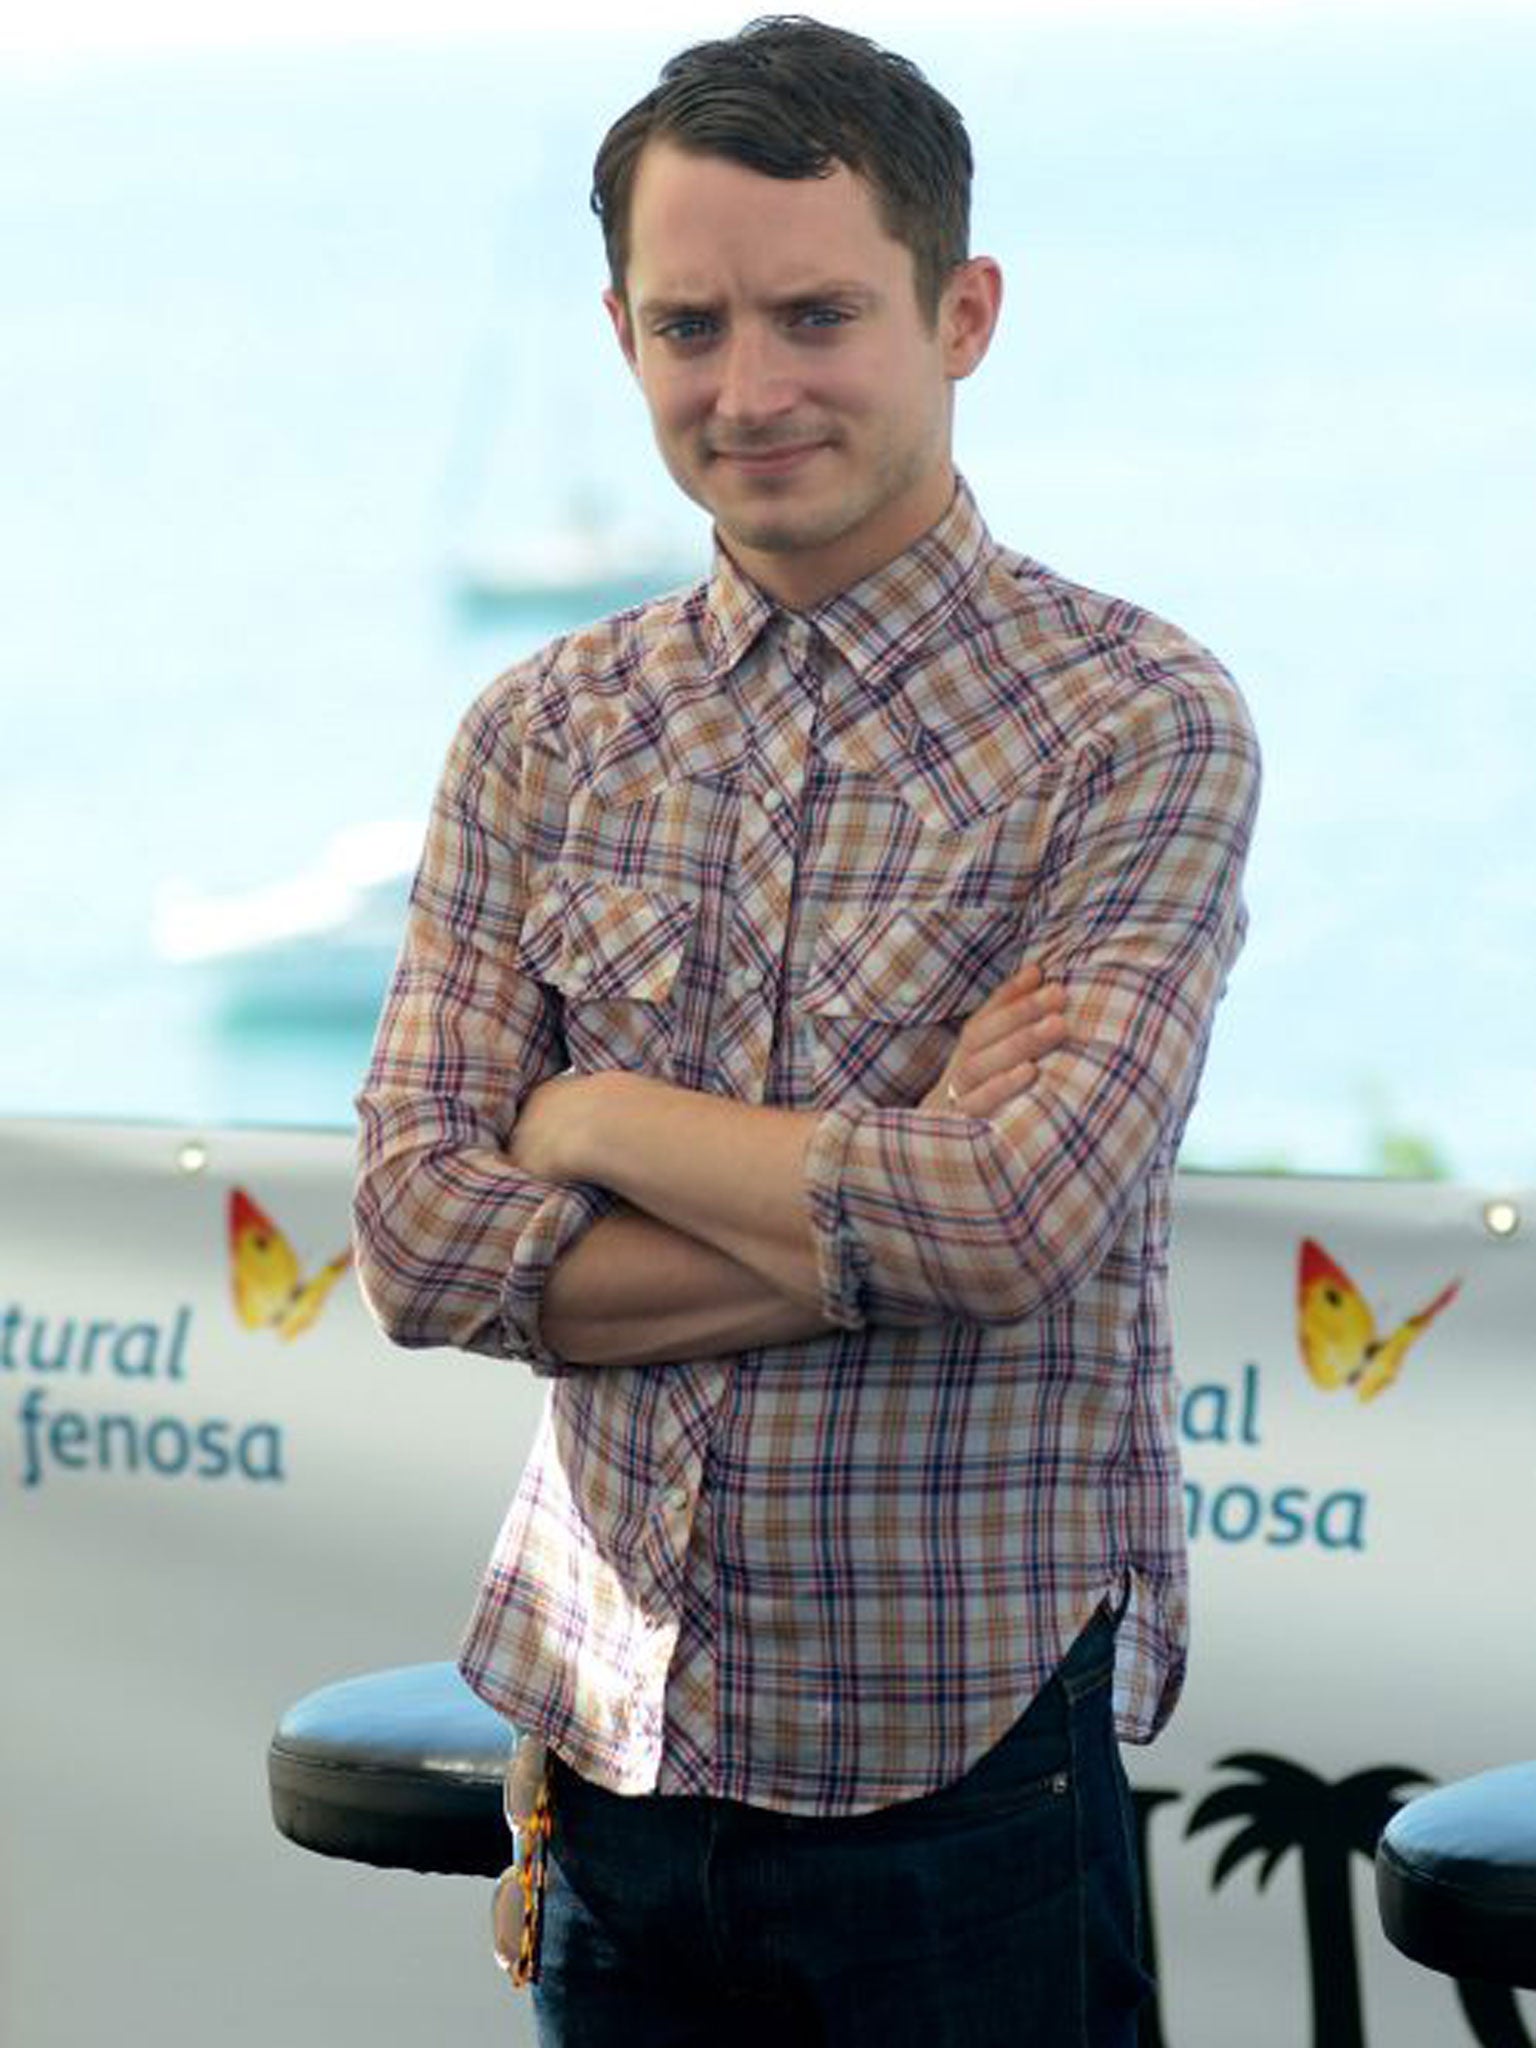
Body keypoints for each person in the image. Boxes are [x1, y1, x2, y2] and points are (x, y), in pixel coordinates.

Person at [353, 17, 1260, 2046]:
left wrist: (587, 1116)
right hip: (604, 1771)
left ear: (962, 313)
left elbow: (1011, 1224)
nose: (749, 389)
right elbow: (416, 1244)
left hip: (959, 1783)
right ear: (620, 334)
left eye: (817, 314)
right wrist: (877, 1193)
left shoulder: (1132, 721)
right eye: (691, 324)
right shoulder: (542, 734)